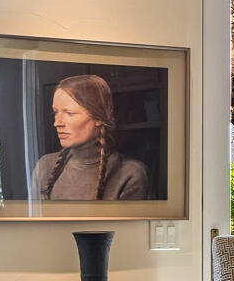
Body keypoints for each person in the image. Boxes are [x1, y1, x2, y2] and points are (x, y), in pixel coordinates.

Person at [28, 73, 153, 201]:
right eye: (55, 112)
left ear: (98, 117)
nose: (57, 123)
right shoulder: (45, 166)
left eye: (69, 113)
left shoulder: (130, 174)